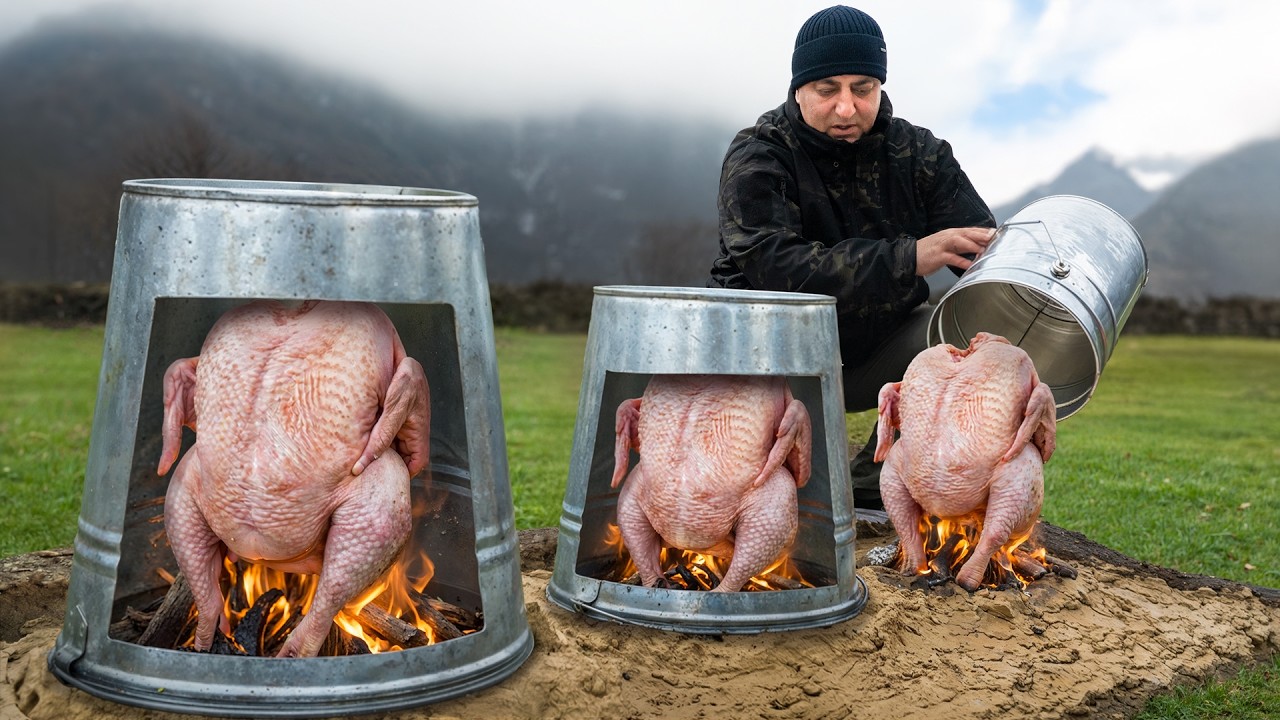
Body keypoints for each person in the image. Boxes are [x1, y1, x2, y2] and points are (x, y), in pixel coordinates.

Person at [707, 5, 996, 511]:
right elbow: (776, 268)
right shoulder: (759, 153)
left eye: (862, 89)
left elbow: (983, 256)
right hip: (767, 362)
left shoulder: (921, 154)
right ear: (799, 88)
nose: (847, 109)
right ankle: (785, 466)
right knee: (772, 501)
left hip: (874, 356)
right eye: (827, 90)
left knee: (975, 340)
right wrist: (910, 257)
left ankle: (875, 477)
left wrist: (1034, 287)